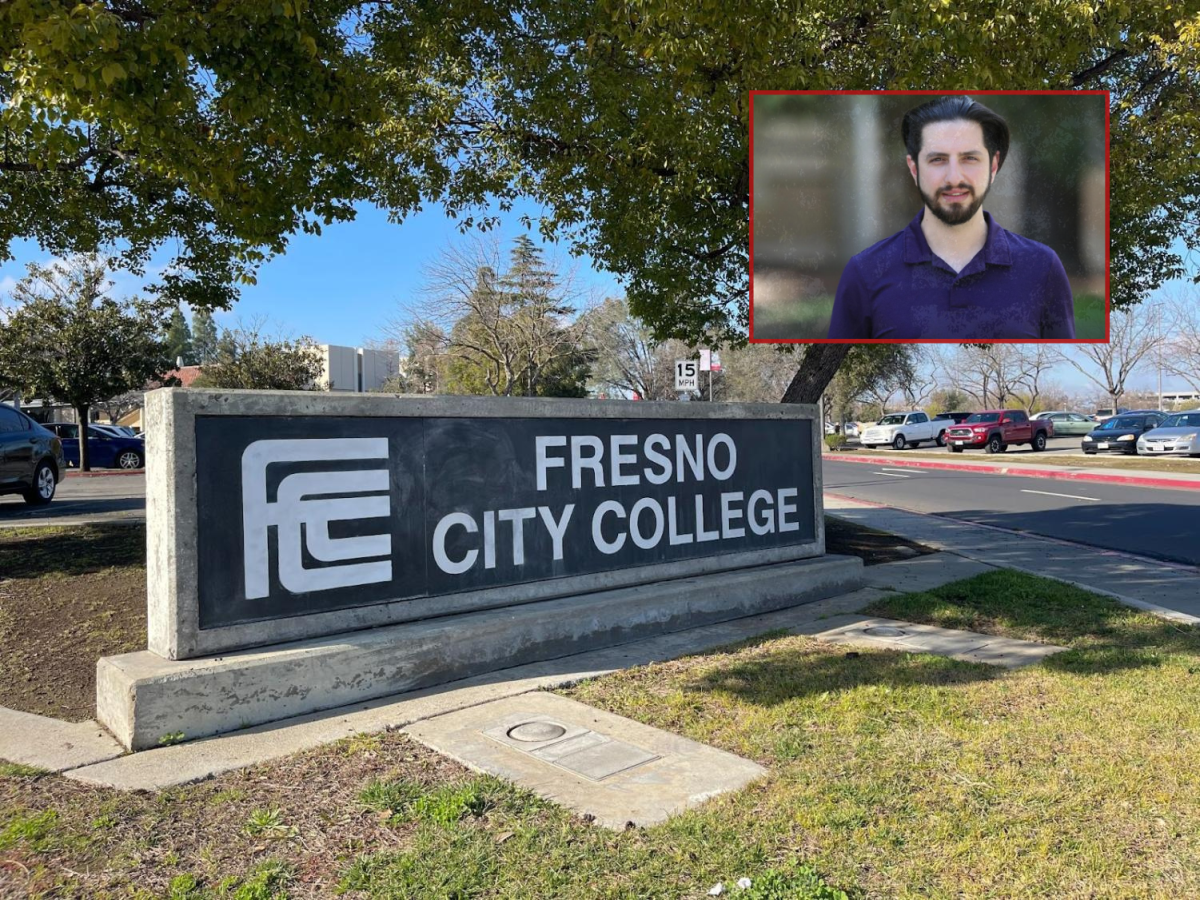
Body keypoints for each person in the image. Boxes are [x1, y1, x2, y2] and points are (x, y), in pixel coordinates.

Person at [827, 96, 1075, 340]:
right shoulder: (866, 272)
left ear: (993, 166)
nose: (954, 178)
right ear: (914, 169)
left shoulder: (1042, 267)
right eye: (938, 160)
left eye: (969, 158)